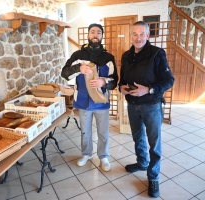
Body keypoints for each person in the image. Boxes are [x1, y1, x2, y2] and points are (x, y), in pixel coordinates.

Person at [119, 21, 175, 198]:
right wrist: (121, 87)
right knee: (137, 137)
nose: (138, 38)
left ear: (148, 36)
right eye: (135, 34)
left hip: (151, 105)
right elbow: (122, 79)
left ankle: (153, 177)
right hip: (132, 105)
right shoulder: (126, 55)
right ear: (131, 36)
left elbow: (168, 80)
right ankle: (142, 162)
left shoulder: (157, 54)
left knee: (154, 142)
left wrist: (148, 89)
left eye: (142, 34)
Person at [61, 23, 118, 171]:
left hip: (101, 102)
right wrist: (78, 69)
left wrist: (104, 81)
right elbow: (65, 73)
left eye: (98, 32)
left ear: (101, 36)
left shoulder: (108, 57)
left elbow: (115, 81)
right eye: (92, 32)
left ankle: (103, 156)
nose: (95, 34)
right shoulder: (78, 56)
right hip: (83, 101)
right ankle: (86, 153)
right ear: (88, 35)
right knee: (85, 131)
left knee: (103, 131)